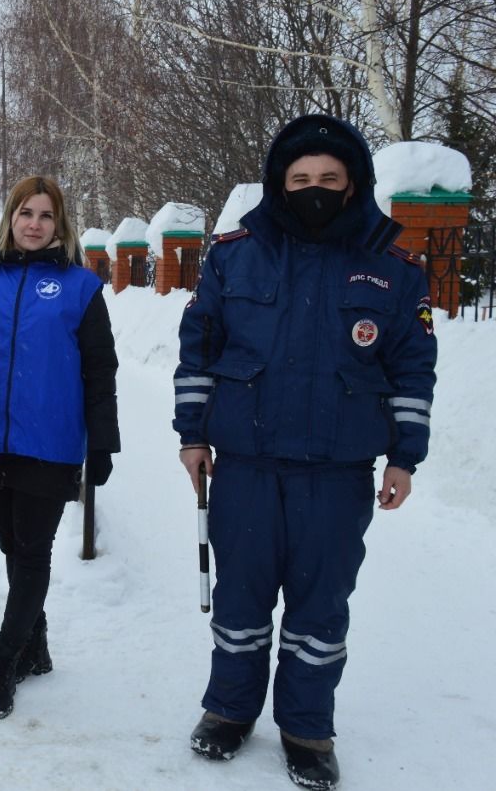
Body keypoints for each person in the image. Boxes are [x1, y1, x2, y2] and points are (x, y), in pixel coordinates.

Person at [174, 115, 437, 790]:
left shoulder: (393, 265)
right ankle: (230, 709)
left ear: (353, 184)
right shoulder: (237, 253)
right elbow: (199, 347)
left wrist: (405, 456)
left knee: (320, 609)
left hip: (337, 472)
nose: (314, 188)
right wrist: (192, 434)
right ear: (278, 184)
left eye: (328, 178)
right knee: (241, 599)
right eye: (300, 179)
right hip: (247, 467)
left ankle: (306, 728)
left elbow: (412, 368)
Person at [0, 175, 120, 721]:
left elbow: (99, 368)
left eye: (45, 215)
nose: (35, 223)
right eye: (26, 213)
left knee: (33, 550)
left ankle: (3, 660)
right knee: (13, 549)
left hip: (52, 441)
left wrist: (103, 443)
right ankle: (35, 644)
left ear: (58, 224)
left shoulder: (81, 288)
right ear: (10, 220)